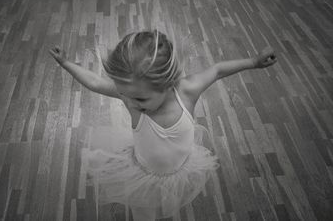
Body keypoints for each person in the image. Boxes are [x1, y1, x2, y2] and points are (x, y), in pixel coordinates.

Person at [49, 30, 277, 221]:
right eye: (123, 94)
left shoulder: (187, 92)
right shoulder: (132, 98)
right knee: (143, 211)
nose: (127, 102)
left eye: (139, 99)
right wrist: (66, 62)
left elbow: (217, 70)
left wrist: (253, 62)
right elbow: (96, 82)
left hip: (181, 167)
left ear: (168, 85)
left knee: (170, 200)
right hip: (142, 173)